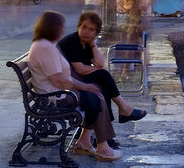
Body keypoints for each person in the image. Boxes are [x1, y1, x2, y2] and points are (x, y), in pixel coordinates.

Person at [28, 11, 122, 161]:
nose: (62, 30)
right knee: (95, 99)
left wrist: (86, 87)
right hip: (53, 97)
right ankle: (103, 148)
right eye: (60, 26)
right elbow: (59, 80)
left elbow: (64, 77)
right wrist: (84, 87)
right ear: (53, 27)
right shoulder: (45, 47)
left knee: (96, 95)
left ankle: (87, 142)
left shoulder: (45, 45)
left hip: (56, 93)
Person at [58, 10, 147, 149]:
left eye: (91, 30)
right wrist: (99, 70)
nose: (86, 31)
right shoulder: (72, 41)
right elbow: (81, 69)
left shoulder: (86, 43)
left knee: (103, 88)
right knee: (103, 76)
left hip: (75, 81)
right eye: (84, 27)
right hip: (66, 86)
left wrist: (93, 44)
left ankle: (108, 134)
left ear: (95, 33)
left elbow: (99, 63)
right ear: (79, 26)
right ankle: (123, 111)